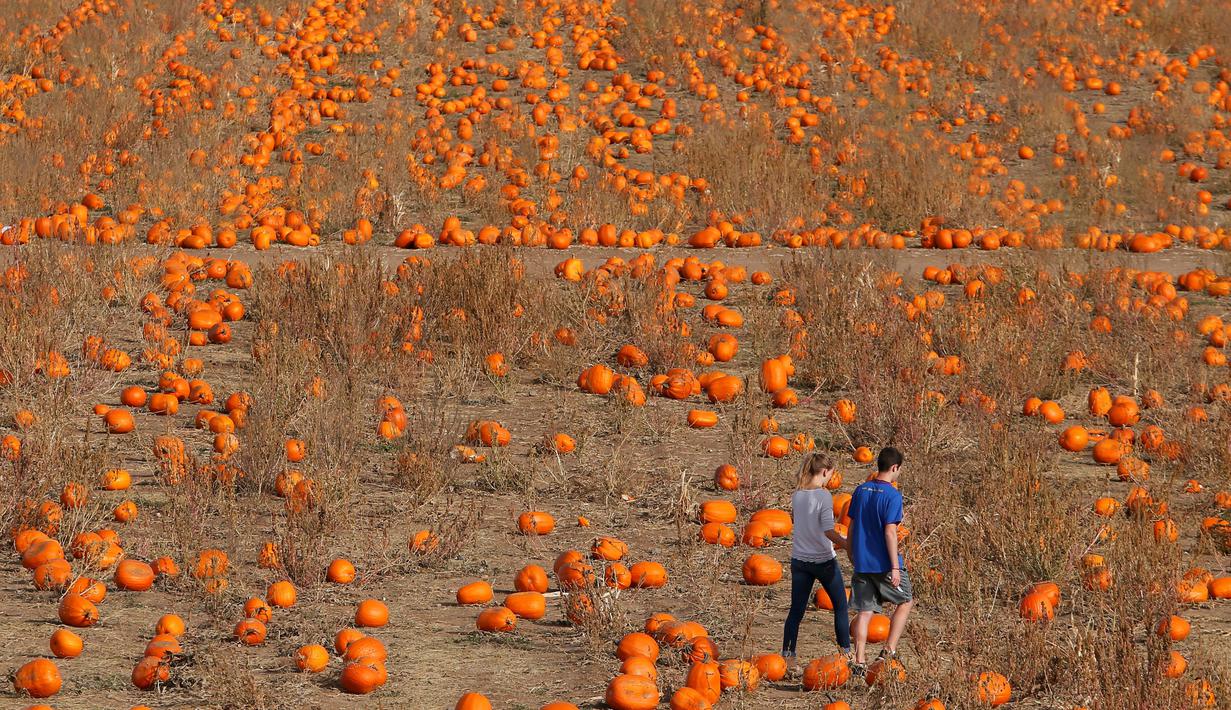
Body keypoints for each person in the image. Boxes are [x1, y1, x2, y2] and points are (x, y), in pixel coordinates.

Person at [847, 446, 913, 676]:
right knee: (905, 601)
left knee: (865, 611)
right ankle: (888, 650)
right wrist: (895, 566)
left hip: (862, 562)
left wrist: (850, 551)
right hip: (883, 563)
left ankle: (859, 660)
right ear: (894, 468)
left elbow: (852, 525)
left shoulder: (861, 490)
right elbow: (890, 532)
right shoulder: (893, 495)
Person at [781, 453, 850, 673]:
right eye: (831, 474)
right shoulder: (823, 496)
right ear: (824, 472)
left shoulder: (797, 495)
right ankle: (846, 655)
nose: (830, 479)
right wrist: (847, 544)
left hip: (799, 560)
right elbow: (829, 531)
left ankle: (788, 658)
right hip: (823, 560)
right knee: (840, 607)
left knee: (796, 611)